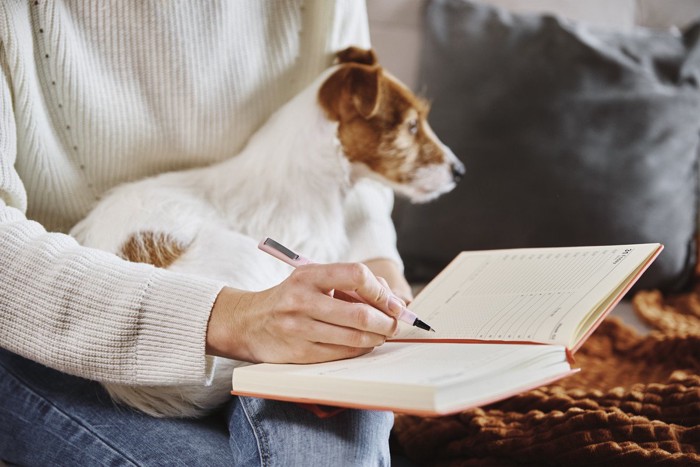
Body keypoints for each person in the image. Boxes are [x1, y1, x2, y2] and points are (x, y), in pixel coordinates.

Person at [0, 1, 413, 465]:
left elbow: (345, 149)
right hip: (55, 321)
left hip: (263, 296)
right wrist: (235, 319)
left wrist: (377, 262)